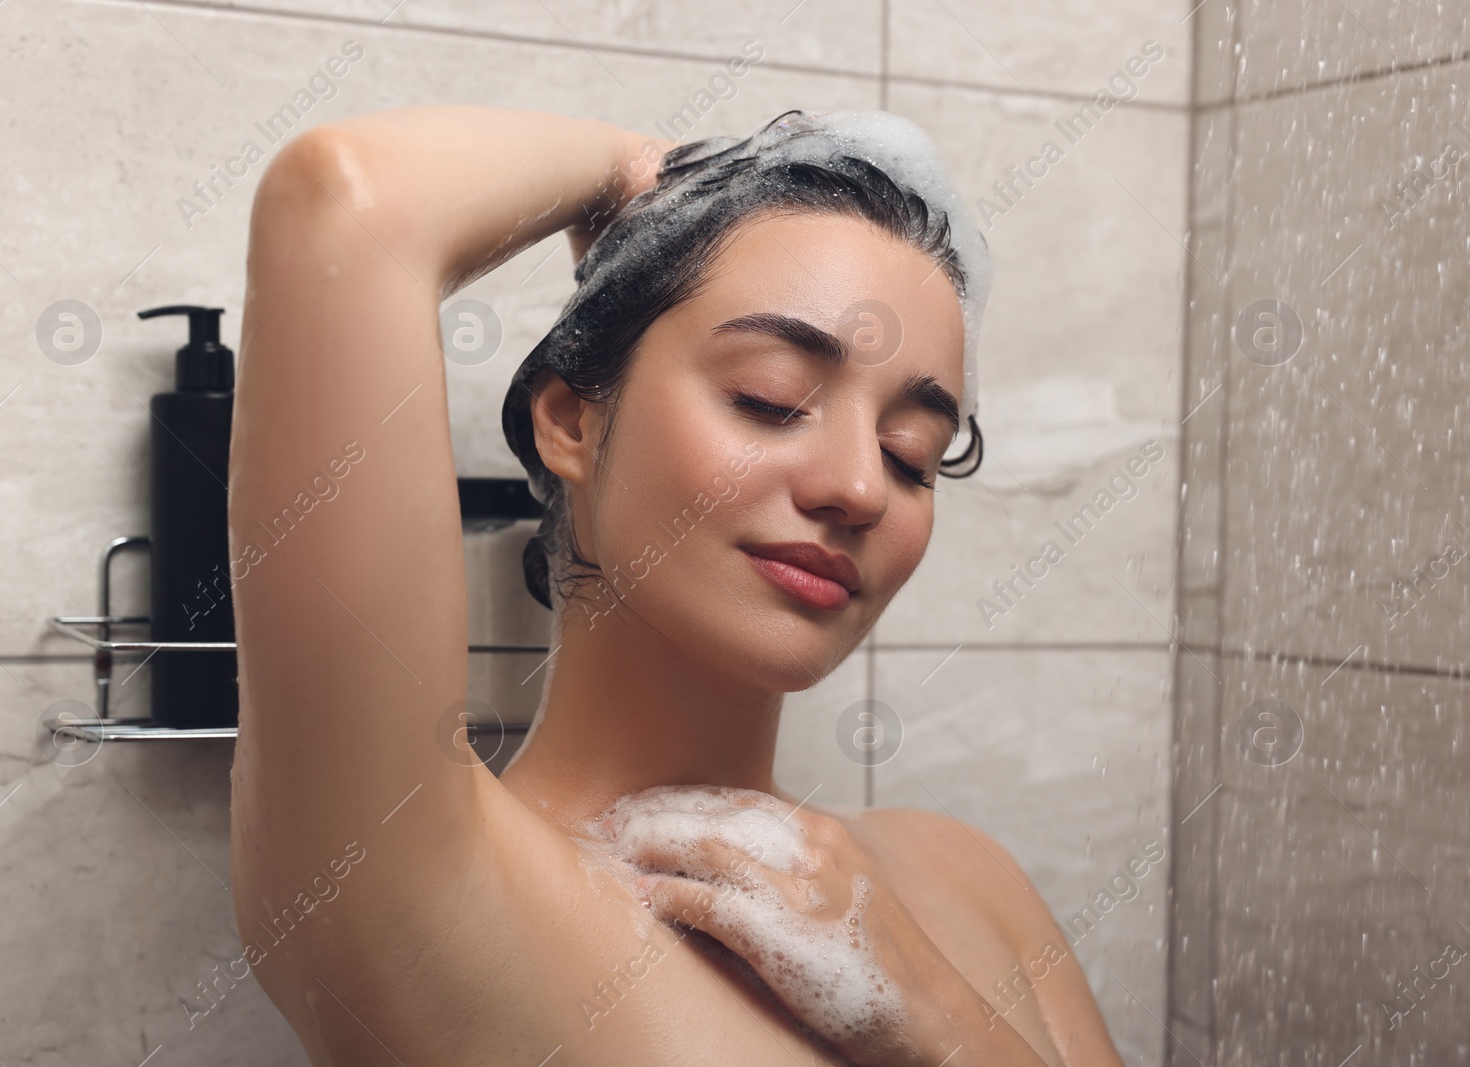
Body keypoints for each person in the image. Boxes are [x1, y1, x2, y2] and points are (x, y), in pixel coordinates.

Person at [226, 103, 1126, 1066]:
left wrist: (933, 1014)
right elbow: (340, 202)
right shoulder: (427, 885)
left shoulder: (963, 877)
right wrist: (632, 170)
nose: (862, 486)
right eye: (769, 399)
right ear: (571, 422)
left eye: (911, 453)